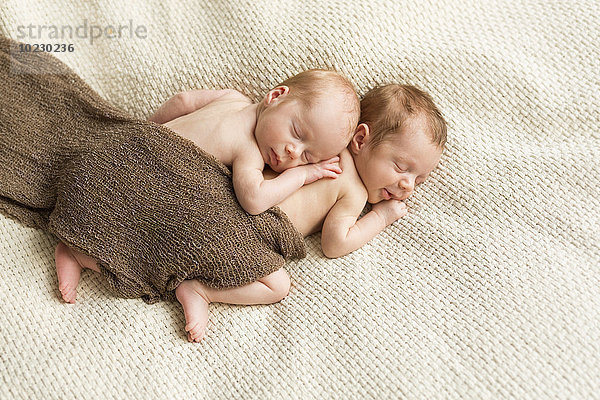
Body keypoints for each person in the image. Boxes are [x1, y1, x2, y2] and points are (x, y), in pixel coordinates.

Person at [175, 84, 448, 342]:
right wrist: (381, 217)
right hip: (251, 230)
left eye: (419, 179)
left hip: (217, 201)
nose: (407, 185)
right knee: (277, 286)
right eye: (401, 167)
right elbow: (334, 243)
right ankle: (202, 290)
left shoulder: (320, 146)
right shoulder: (354, 190)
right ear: (361, 139)